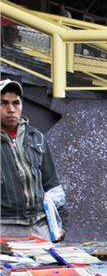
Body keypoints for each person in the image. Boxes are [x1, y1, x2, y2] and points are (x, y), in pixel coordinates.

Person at [1, 78, 67, 240]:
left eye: (16, 103)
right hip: (5, 227)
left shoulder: (36, 137)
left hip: (39, 226)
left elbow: (52, 185)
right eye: (4, 103)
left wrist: (62, 223)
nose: (11, 109)